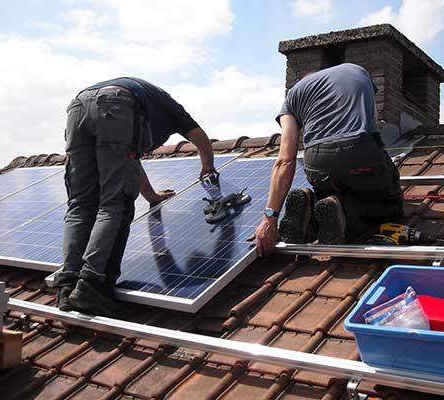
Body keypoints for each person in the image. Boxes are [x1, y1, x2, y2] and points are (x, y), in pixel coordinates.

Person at [54, 77, 217, 316]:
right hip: (115, 104)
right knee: (114, 205)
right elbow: (200, 137)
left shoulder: (150, 104)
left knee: (81, 205)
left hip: (78, 107)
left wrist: (151, 195)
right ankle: (91, 286)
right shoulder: (172, 109)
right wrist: (208, 165)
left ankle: (67, 286)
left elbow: (129, 161)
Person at [255, 63, 403, 257]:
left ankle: (310, 204)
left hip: (317, 160)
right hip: (360, 151)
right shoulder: (357, 70)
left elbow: (285, 160)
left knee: (330, 190)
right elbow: (371, 123)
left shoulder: (292, 95)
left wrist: (270, 218)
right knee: (388, 203)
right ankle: (344, 214)